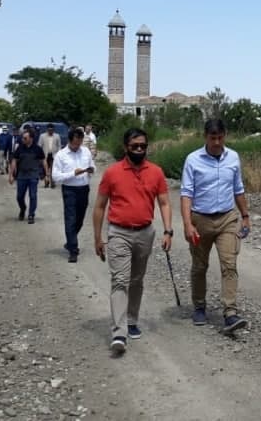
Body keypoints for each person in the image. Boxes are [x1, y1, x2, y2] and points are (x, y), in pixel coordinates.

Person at [93, 128, 172, 354]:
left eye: (143, 146)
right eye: (135, 146)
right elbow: (99, 207)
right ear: (126, 146)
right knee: (120, 280)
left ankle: (131, 319)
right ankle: (119, 332)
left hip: (145, 233)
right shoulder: (112, 173)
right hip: (119, 233)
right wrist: (98, 237)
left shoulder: (156, 172)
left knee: (136, 280)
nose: (139, 150)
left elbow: (164, 202)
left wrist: (168, 231)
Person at [180, 118, 250, 333]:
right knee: (200, 266)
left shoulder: (233, 158)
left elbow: (238, 189)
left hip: (227, 218)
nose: (217, 142)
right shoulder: (193, 160)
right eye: (213, 138)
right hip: (200, 218)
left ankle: (230, 312)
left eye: (220, 137)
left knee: (229, 264)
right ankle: (199, 306)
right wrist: (187, 224)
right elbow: (186, 194)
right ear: (205, 137)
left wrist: (245, 215)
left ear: (225, 136)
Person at [52, 127, 95, 262]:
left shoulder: (86, 151)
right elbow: (55, 177)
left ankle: (70, 240)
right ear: (70, 141)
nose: (78, 145)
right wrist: (73, 173)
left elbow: (92, 165)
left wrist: (91, 170)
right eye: (76, 143)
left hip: (84, 189)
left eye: (80, 142)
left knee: (80, 219)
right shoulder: (61, 155)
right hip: (69, 190)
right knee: (70, 219)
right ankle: (73, 250)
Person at [9, 128, 46, 224]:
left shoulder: (38, 149)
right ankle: (23, 208)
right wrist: (11, 175)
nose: (23, 139)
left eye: (25, 138)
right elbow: (14, 161)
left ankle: (31, 215)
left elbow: (43, 161)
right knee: (19, 197)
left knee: (33, 196)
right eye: (22, 138)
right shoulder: (20, 148)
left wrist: (47, 174)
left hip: (33, 175)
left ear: (31, 138)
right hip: (21, 175)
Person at [39, 124, 61, 188]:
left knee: (53, 169)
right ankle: (46, 181)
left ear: (53, 129)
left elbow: (59, 146)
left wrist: (58, 154)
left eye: (52, 130)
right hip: (45, 154)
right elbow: (40, 146)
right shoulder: (42, 136)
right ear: (47, 129)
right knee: (45, 169)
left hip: (54, 155)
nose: (50, 131)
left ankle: (52, 182)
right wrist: (40, 155)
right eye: (49, 130)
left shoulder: (57, 136)